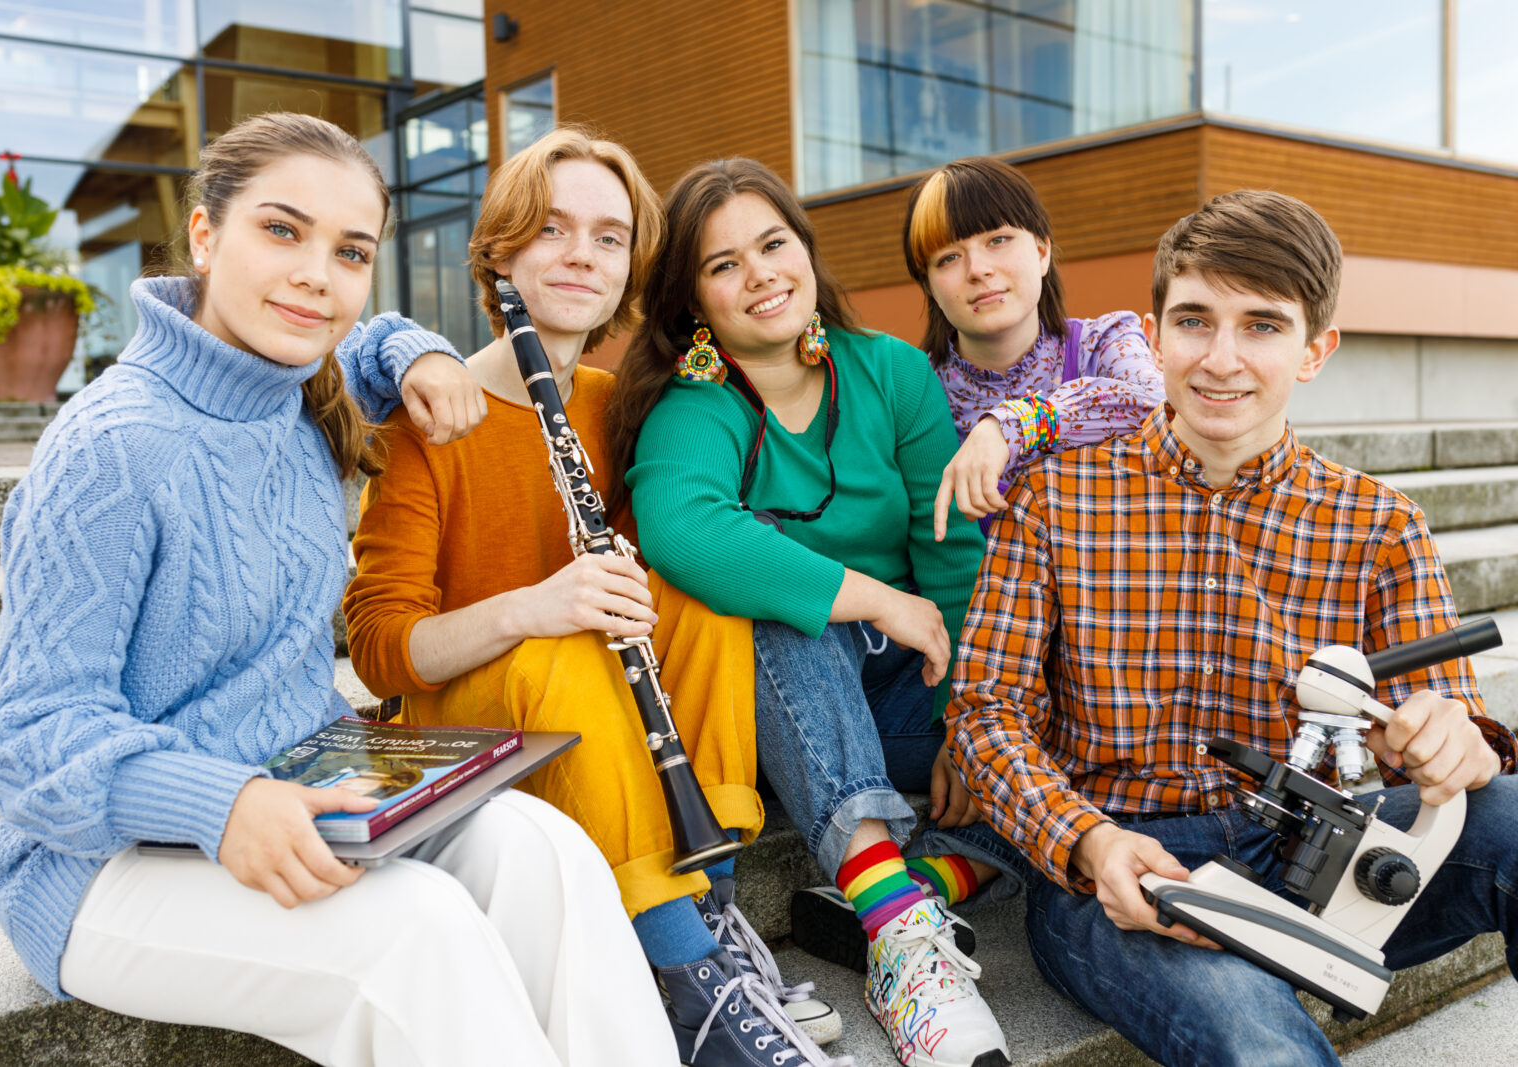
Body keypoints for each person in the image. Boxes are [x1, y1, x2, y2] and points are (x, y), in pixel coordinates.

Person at [0, 112, 679, 1067]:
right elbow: (30, 740)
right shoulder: (108, 449)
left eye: (351, 251)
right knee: (418, 927)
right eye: (282, 229)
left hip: (306, 783)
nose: (317, 274)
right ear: (203, 233)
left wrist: (419, 352)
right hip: (103, 864)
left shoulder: (304, 386)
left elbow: (376, 337)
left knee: (546, 850)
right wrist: (223, 804)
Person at [947, 188, 1518, 1067]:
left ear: (1316, 349)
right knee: (1257, 1040)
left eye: (1262, 325)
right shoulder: (1053, 500)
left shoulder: (1382, 523)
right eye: (1195, 321)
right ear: (1154, 334)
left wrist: (1459, 743)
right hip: (1125, 869)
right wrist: (1088, 840)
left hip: (1319, 847)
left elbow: (1449, 720)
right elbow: (986, 713)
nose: (1221, 359)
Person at [342, 129, 844, 1067]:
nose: (583, 254)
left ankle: (713, 908)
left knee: (703, 602)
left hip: (597, 712)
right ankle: (692, 980)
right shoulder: (425, 421)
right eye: (553, 229)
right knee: (564, 653)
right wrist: (531, 607)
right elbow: (377, 649)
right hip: (468, 718)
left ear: (628, 269)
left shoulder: (616, 402)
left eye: (609, 237)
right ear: (500, 254)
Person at [608, 158, 1011, 1067]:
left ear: (806, 248)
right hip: (779, 706)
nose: (760, 275)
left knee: (1054, 713)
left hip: (905, 690)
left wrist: (969, 723)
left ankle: (922, 877)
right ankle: (904, 942)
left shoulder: (892, 373)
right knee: (788, 613)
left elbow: (953, 557)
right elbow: (686, 532)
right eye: (724, 264)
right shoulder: (695, 407)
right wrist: (875, 598)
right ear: (692, 300)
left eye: (773, 244)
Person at [902, 156, 1162, 536]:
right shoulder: (913, 395)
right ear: (928, 285)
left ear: (1042, 252)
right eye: (949, 258)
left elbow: (1162, 408)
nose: (977, 269)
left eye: (998, 240)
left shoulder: (1102, 344)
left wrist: (1015, 424)